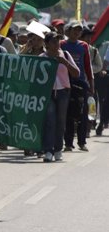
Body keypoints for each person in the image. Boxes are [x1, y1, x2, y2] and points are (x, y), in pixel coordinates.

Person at [41, 32, 79, 162]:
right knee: (50, 121)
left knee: (61, 121)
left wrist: (65, 62)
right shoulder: (42, 58)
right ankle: (48, 150)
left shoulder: (65, 55)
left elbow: (76, 73)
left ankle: (58, 149)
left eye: (58, 41)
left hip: (63, 92)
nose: (56, 44)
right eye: (53, 42)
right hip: (48, 93)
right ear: (46, 44)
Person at [61, 20, 95, 152]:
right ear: (68, 31)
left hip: (81, 83)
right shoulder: (61, 44)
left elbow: (88, 67)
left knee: (83, 113)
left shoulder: (84, 46)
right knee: (68, 114)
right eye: (74, 29)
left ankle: (82, 142)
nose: (76, 32)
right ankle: (68, 143)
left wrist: (91, 84)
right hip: (65, 82)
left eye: (79, 30)